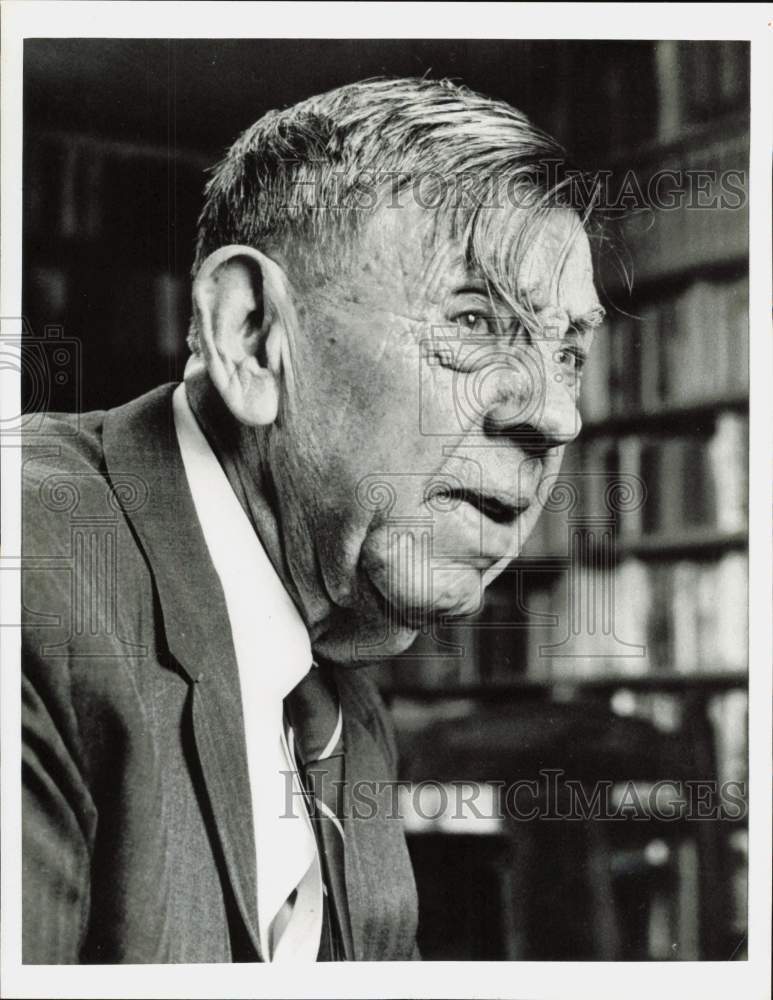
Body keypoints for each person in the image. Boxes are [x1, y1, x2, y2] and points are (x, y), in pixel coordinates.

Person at [21, 77, 604, 963]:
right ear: (253, 336)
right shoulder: (28, 572)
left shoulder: (339, 709)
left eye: (568, 350)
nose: (555, 414)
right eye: (477, 320)